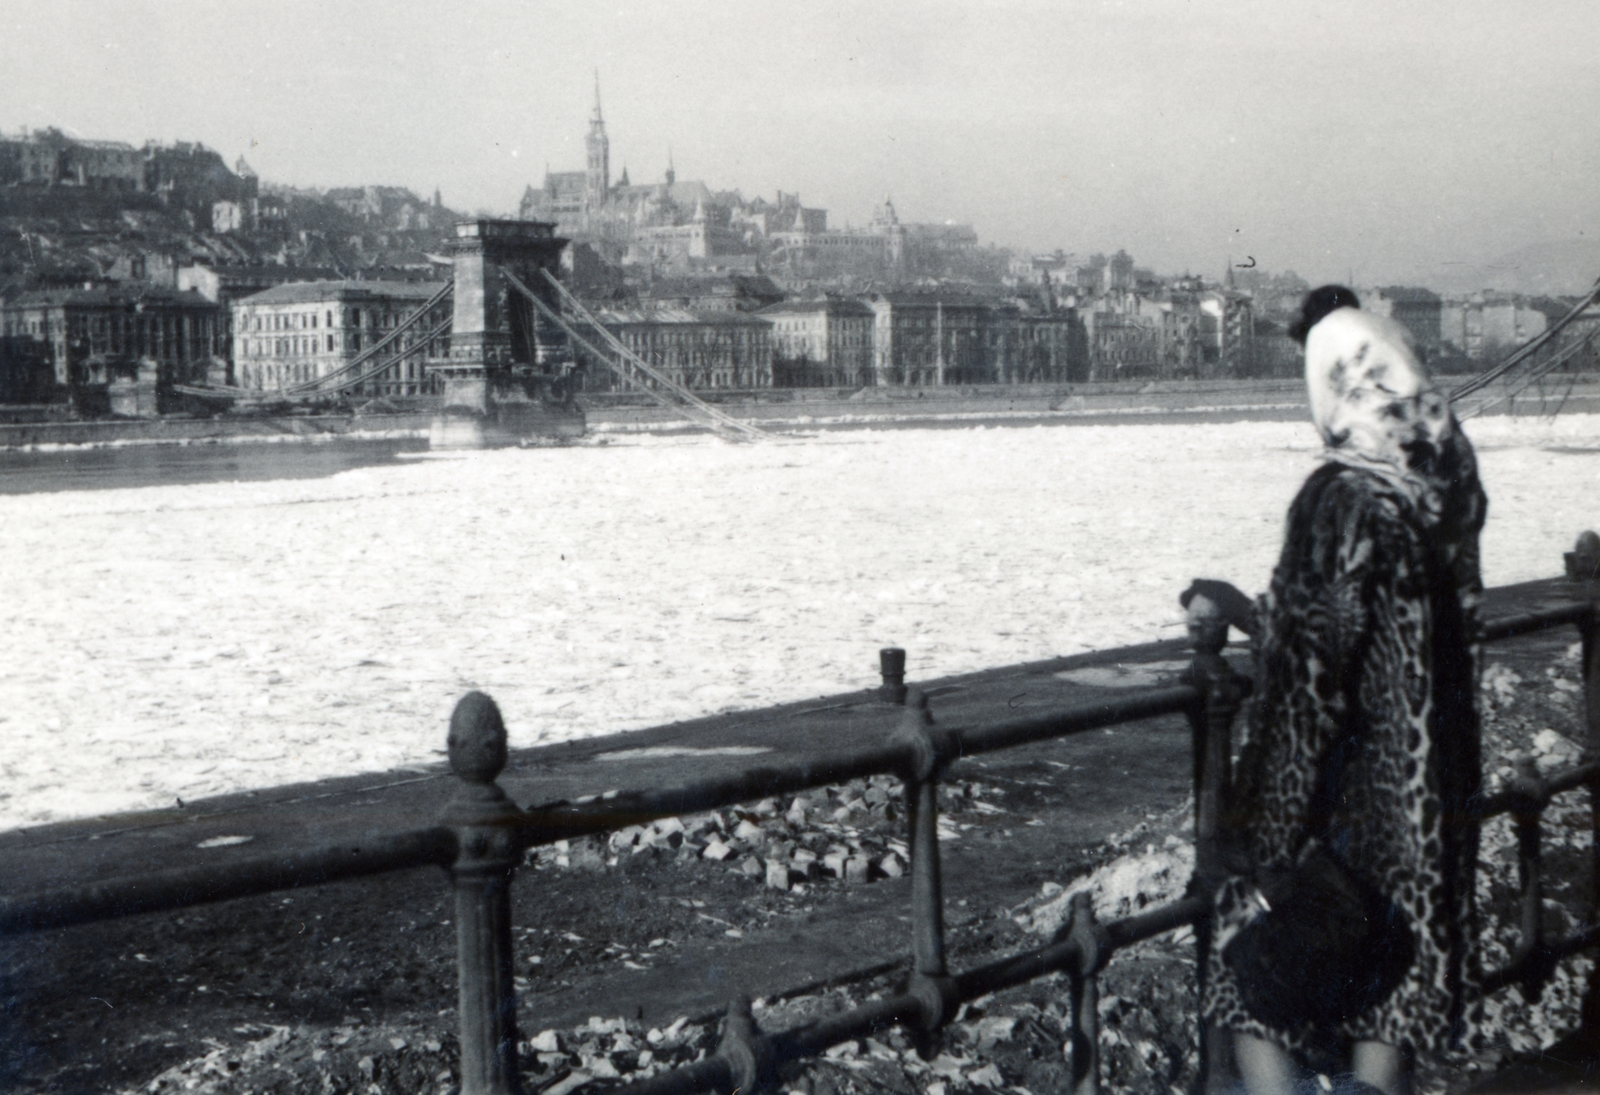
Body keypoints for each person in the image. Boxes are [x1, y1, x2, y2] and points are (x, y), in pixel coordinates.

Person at [1202, 287, 1488, 1095]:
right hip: (1432, 812)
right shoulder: (1441, 488)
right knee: (1390, 1018)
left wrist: (1259, 844)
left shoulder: (1340, 500)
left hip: (1349, 819)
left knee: (1246, 994)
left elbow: (1308, 684)